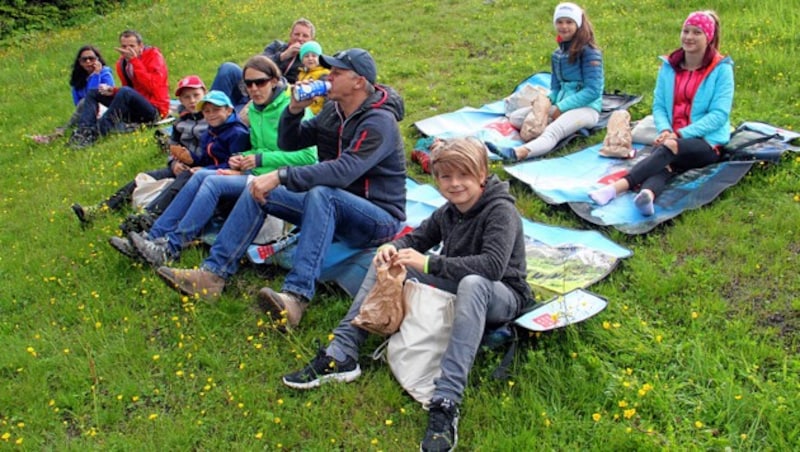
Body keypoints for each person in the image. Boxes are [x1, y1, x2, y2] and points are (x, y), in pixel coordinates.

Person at [282, 138, 530, 452]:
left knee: (472, 283)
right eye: (445, 177)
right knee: (386, 258)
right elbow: (418, 237)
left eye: (463, 176)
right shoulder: (449, 211)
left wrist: (429, 262)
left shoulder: (500, 211)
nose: (454, 184)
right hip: (459, 282)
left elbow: (492, 267)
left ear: (482, 174)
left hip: (501, 294)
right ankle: (342, 352)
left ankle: (446, 401)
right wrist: (394, 248)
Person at [155, 48, 407, 318]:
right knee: (258, 189)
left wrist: (280, 175)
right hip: (335, 207)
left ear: (358, 81)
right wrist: (295, 110)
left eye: (336, 72)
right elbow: (290, 142)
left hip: (377, 218)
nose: (328, 77)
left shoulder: (380, 121)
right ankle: (212, 274)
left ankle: (296, 297)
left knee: (321, 193)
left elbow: (344, 171)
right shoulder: (334, 110)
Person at [113, 56, 317, 266]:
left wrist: (258, 159)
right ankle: (153, 237)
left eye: (260, 82)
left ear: (274, 81)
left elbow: (310, 157)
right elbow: (258, 147)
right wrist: (241, 161)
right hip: (257, 172)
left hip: (283, 179)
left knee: (212, 182)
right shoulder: (255, 109)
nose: (254, 89)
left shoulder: (293, 107)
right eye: (248, 84)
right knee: (199, 174)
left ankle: (170, 247)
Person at [589, 10, 733, 216]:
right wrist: (665, 129)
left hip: (707, 143)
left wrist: (679, 135)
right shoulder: (669, 67)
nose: (689, 37)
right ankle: (647, 196)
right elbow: (659, 106)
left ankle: (615, 188)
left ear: (708, 38)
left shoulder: (721, 70)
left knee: (668, 148)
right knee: (665, 164)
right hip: (673, 139)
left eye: (696, 33)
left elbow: (719, 115)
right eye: (686, 31)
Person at [71, 75, 210, 225]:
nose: (192, 101)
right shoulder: (180, 122)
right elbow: (173, 147)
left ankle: (147, 217)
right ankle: (99, 211)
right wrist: (173, 164)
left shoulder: (211, 119)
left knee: (173, 189)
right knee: (140, 179)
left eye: (196, 95)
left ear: (205, 94)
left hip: (202, 170)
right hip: (180, 167)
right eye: (186, 97)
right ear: (181, 100)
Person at [487, 2, 603, 162]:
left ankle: (518, 153)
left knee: (553, 131)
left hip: (586, 108)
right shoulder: (557, 55)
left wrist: (561, 108)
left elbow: (593, 91)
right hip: (561, 106)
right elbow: (555, 88)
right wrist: (546, 102)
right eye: (560, 22)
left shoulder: (590, 53)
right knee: (516, 118)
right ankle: (573, 129)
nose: (564, 26)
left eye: (569, 22)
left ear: (578, 24)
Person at [70, 29, 170, 148]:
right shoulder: (121, 63)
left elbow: (153, 86)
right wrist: (113, 91)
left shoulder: (154, 56)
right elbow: (131, 90)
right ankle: (84, 131)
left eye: (132, 46)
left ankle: (96, 133)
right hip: (135, 108)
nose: (127, 50)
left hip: (155, 110)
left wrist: (135, 61)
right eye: (124, 46)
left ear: (140, 46)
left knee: (125, 92)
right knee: (93, 93)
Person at [210, 18, 316, 110]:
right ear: (290, 35)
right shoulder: (277, 46)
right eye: (296, 34)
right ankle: (211, 107)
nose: (300, 39)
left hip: (273, 97)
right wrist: (283, 56)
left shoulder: (311, 60)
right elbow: (257, 63)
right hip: (249, 85)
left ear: (311, 40)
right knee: (228, 68)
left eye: (305, 36)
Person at [31, 45, 115, 144]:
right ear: (80, 62)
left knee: (85, 102)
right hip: (86, 112)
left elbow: (95, 95)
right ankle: (59, 134)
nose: (88, 62)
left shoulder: (105, 74)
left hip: (104, 108)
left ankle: (59, 133)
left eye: (91, 59)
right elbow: (77, 103)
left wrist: (96, 75)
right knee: (83, 104)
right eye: (84, 60)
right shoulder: (78, 79)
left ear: (98, 60)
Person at [296, 40, 330, 115]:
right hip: (303, 110)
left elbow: (328, 98)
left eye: (314, 56)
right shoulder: (301, 73)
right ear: (302, 60)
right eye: (306, 56)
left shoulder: (324, 74)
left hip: (316, 113)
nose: (310, 58)